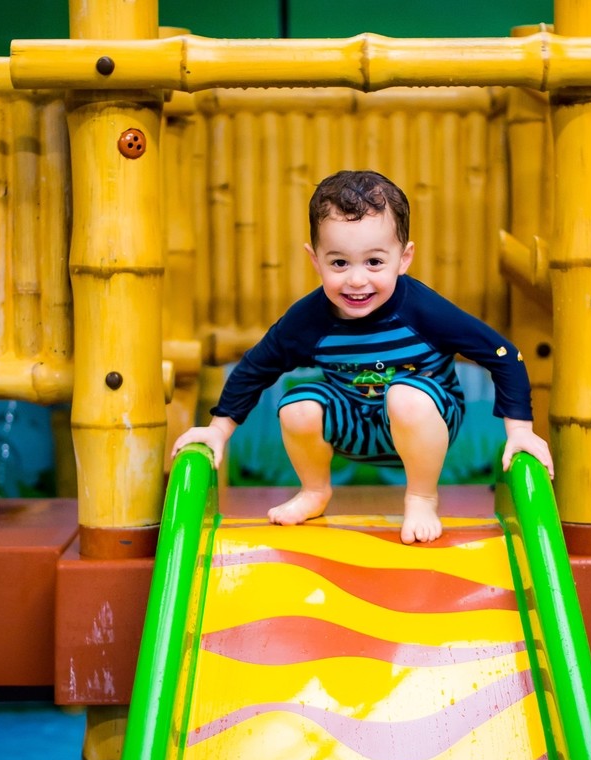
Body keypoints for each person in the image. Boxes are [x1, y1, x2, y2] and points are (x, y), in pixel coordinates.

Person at [172, 169, 554, 544]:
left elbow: (502, 354)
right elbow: (257, 366)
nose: (357, 280)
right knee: (297, 406)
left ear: (403, 259)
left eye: (374, 262)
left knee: (404, 396)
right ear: (315, 259)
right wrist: (218, 430)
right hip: (356, 423)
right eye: (339, 263)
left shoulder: (423, 310)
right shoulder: (310, 319)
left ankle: (421, 497)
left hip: (425, 421)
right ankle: (314, 491)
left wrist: (519, 432)